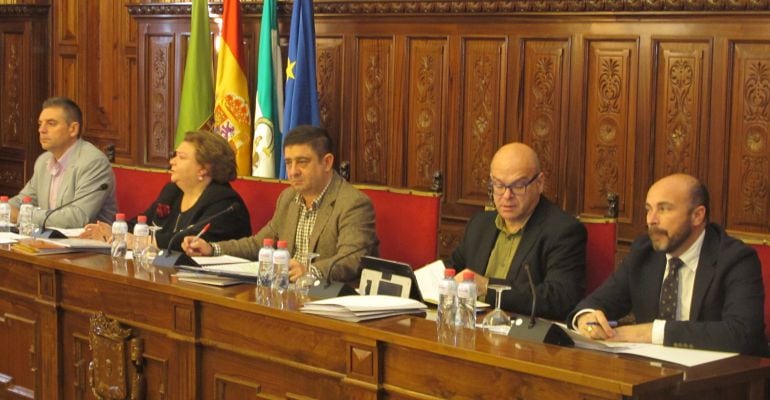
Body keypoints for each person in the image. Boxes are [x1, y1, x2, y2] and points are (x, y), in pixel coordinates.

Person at [568, 174, 767, 356]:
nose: (651, 220)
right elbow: (594, 303)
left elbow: (742, 334)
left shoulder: (735, 259)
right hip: (651, 377)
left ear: (697, 215)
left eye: (664, 209)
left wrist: (651, 331)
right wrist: (585, 318)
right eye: (648, 209)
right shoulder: (643, 253)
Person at [182, 125, 378, 282]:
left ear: (326, 163)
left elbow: (353, 258)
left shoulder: (352, 203)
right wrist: (212, 249)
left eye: (302, 162)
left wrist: (310, 271)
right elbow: (258, 244)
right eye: (288, 163)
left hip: (326, 300)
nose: (292, 172)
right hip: (287, 294)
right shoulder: (288, 198)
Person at [448, 143, 586, 320]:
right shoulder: (480, 224)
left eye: (518, 185)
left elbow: (560, 298)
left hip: (523, 337)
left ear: (539, 183)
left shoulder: (563, 231)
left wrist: (487, 287)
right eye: (498, 185)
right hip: (472, 328)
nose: (506, 195)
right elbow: (452, 268)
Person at [81, 130, 251, 250]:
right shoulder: (173, 191)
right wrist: (114, 230)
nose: (172, 162)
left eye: (181, 157)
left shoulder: (224, 203)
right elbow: (142, 222)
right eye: (174, 155)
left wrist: (139, 241)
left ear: (204, 169)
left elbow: (187, 241)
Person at [9, 97, 116, 228]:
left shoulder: (93, 163)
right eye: (40, 123)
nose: (41, 130)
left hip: (87, 244)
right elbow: (24, 200)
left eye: (51, 123)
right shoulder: (43, 161)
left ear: (73, 129)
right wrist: (4, 208)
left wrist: (23, 216)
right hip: (50, 240)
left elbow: (78, 217)